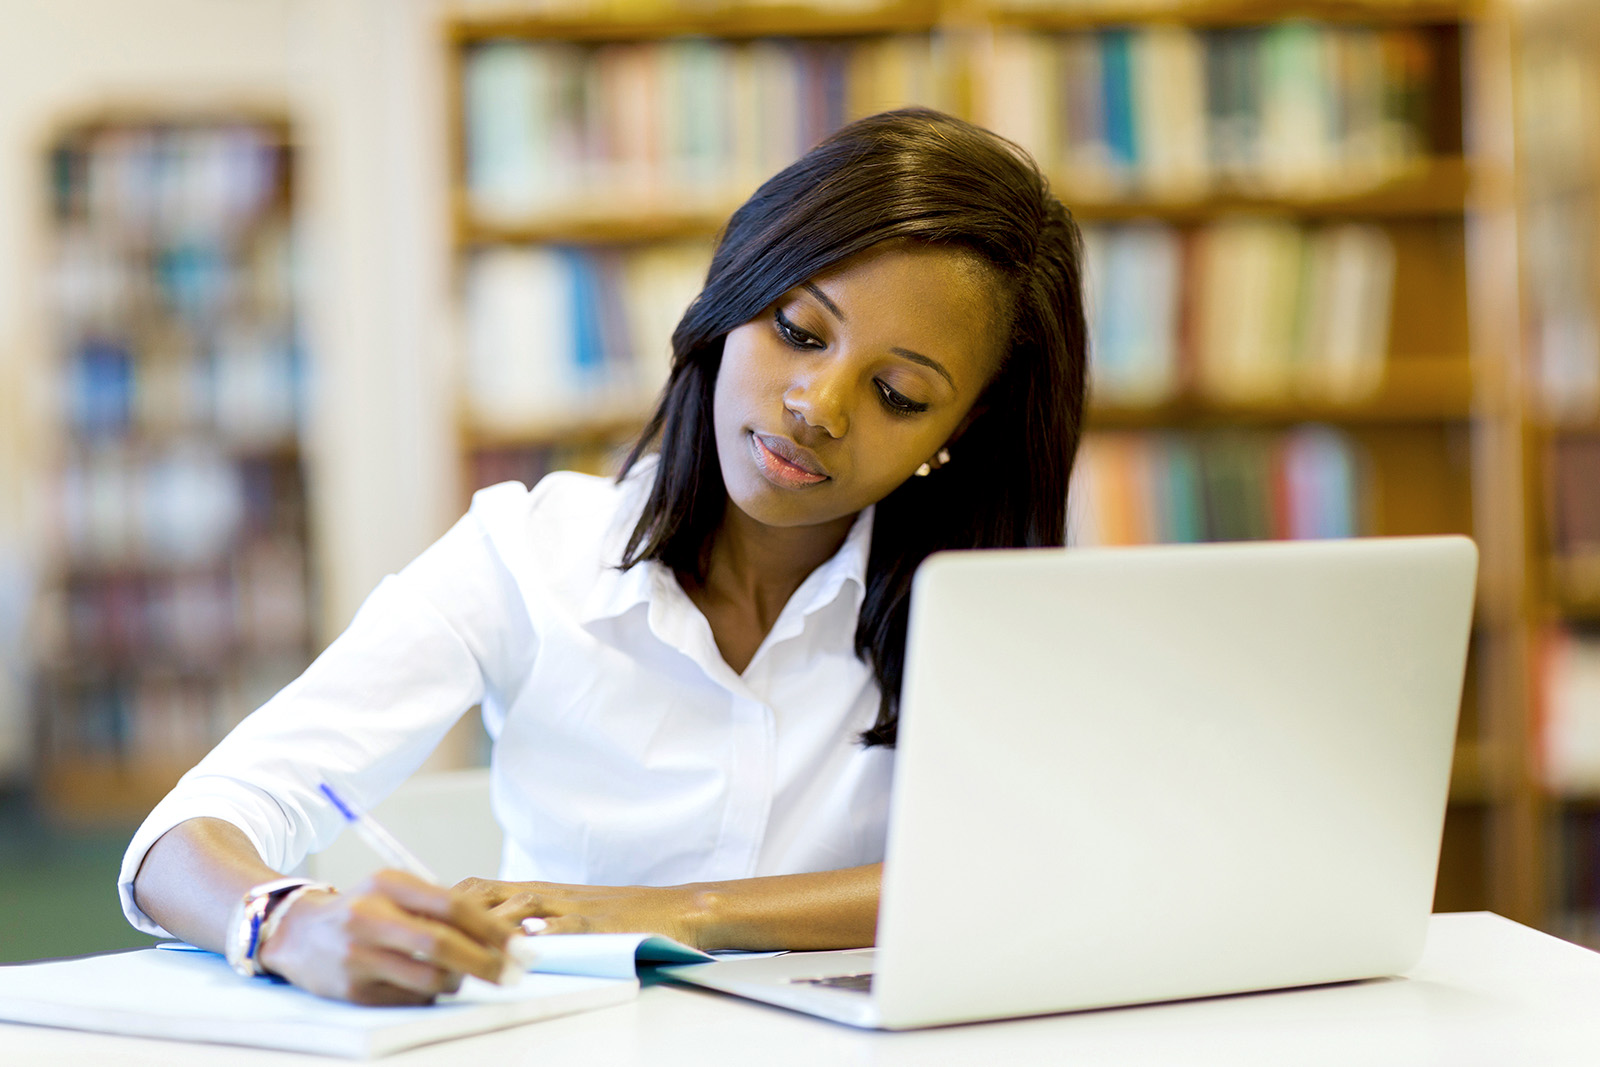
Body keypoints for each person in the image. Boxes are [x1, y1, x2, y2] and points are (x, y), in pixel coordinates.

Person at [122, 107, 1088, 1005]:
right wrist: (287, 923)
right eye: (798, 331)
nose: (818, 406)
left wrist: (676, 912)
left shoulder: (982, 606)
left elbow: (1023, 866)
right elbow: (183, 834)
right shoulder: (531, 553)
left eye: (900, 395)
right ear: (732, 297)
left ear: (962, 428)